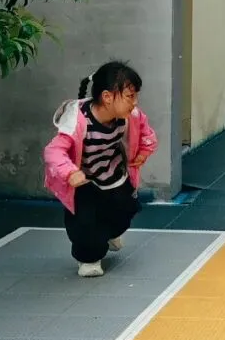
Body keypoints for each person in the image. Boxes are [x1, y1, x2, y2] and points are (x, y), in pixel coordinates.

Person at [43, 61, 158, 277]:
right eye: (130, 96)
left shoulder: (130, 117)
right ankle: (89, 259)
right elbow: (53, 151)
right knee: (84, 223)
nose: (135, 102)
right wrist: (70, 172)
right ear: (107, 97)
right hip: (85, 182)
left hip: (113, 176)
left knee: (125, 211)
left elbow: (146, 133)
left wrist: (144, 151)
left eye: (136, 96)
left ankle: (108, 233)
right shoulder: (78, 121)